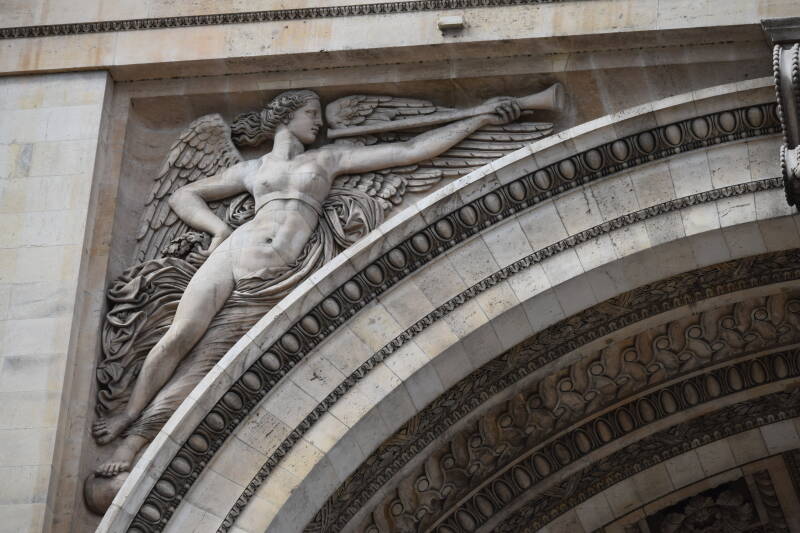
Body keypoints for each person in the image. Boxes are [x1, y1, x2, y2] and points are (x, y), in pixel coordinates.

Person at [91, 89, 521, 446]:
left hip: (277, 271)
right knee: (180, 333)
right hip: (235, 251)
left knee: (209, 356)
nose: (318, 122)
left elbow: (411, 151)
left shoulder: (328, 159)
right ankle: (129, 413)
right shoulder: (252, 168)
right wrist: (218, 230)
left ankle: (139, 440)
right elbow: (183, 195)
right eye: (310, 113)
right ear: (285, 117)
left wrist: (478, 119)